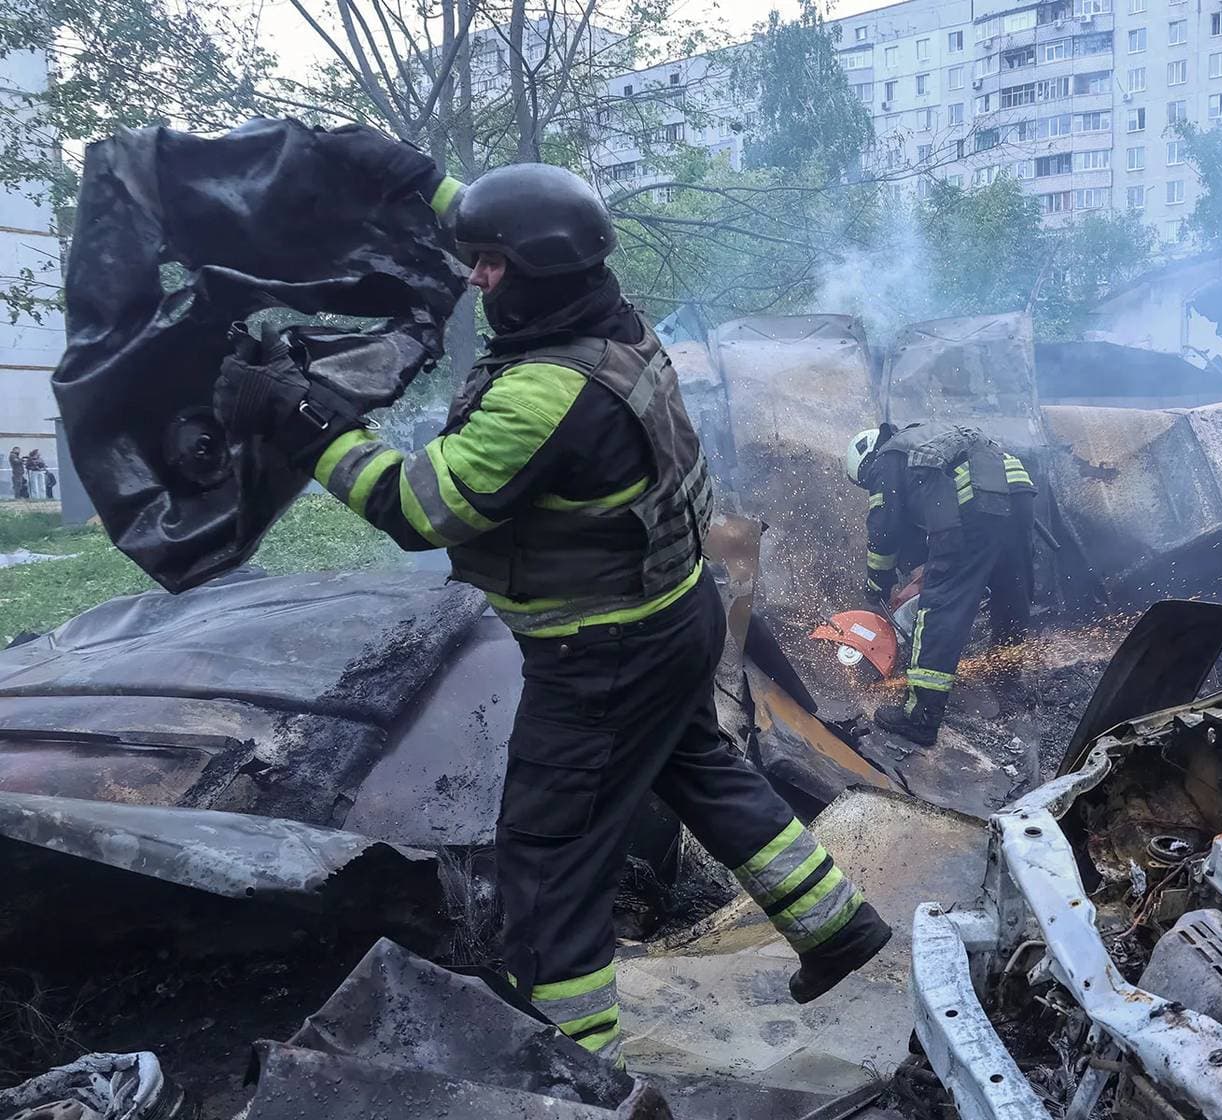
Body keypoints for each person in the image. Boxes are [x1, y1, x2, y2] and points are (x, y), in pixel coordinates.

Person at [212, 132, 891, 1060]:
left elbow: (421, 508)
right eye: (476, 258)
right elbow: (520, 230)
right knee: (699, 768)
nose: (477, 279)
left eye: (492, 264)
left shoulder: (544, 394)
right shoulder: (610, 321)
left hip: (602, 656)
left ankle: (574, 1063)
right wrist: (421, 180)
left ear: (536, 269)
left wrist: (304, 424)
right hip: (677, 614)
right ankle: (838, 924)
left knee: (550, 860)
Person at [846, 422, 1035, 746]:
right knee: (1011, 596)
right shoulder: (929, 437)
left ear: (865, 461)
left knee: (943, 606)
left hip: (975, 501)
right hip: (1020, 493)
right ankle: (1007, 683)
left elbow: (884, 530)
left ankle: (921, 715)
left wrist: (877, 585)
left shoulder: (886, 459)